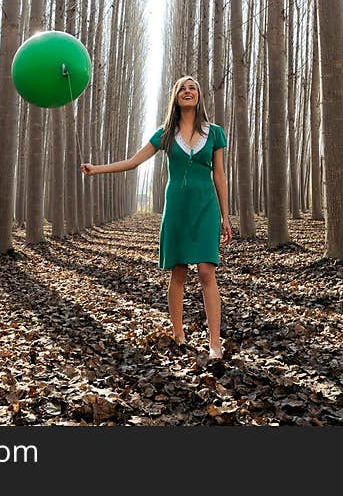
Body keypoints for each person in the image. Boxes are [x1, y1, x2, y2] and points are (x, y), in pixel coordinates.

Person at [80, 76, 232, 359]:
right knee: (178, 272)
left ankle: (215, 342)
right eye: (182, 89)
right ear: (175, 97)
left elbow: (219, 176)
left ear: (199, 96)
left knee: (206, 272)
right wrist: (96, 169)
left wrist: (225, 215)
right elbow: (133, 161)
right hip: (175, 209)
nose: (187, 92)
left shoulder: (215, 133)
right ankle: (179, 333)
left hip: (205, 208)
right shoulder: (165, 133)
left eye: (192, 88)